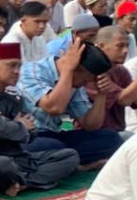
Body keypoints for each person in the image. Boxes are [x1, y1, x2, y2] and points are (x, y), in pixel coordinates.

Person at [0, 42, 81, 194]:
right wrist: (19, 126)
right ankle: (26, 180)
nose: (17, 71)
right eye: (11, 65)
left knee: (70, 156)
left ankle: (21, 182)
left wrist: (11, 126)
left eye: (19, 66)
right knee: (4, 165)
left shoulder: (15, 94)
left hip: (16, 156)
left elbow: (32, 133)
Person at [16, 35, 123, 166]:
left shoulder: (75, 83)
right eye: (85, 80)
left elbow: (90, 125)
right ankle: (69, 160)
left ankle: (65, 160)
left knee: (111, 138)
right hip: (27, 136)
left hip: (55, 135)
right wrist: (67, 70)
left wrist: (102, 94)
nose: (85, 84)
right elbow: (54, 107)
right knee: (54, 146)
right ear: (78, 69)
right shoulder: (32, 71)